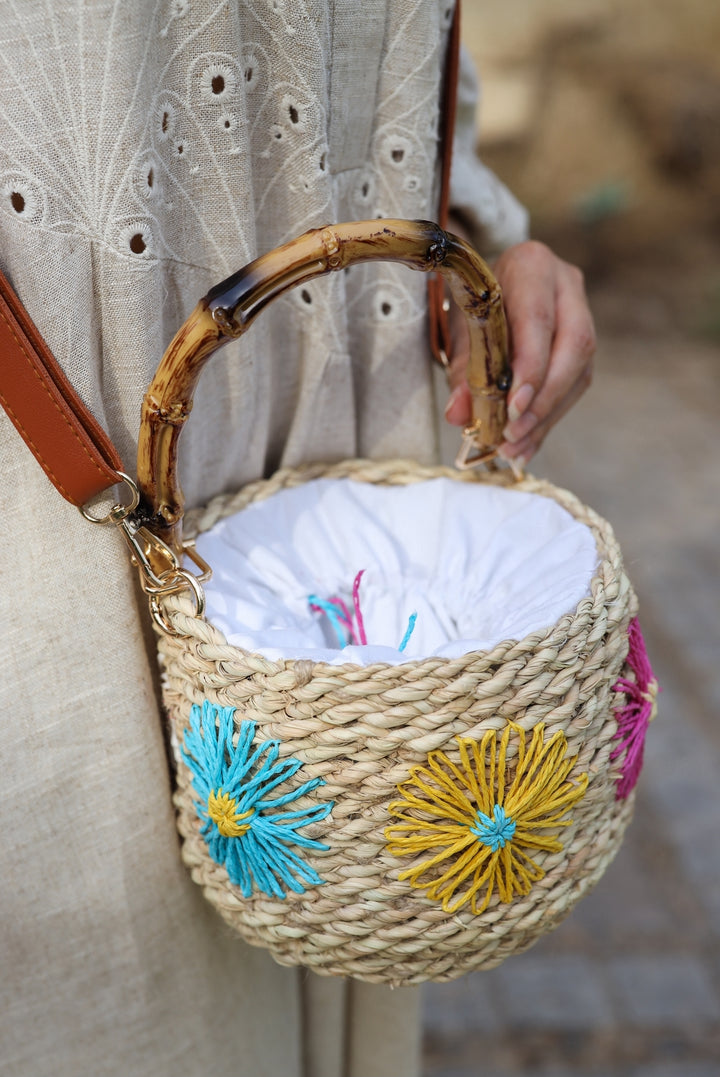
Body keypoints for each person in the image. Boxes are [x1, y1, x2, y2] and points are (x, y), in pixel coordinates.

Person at [0, 3, 594, 1076]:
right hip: (55, 433)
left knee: (359, 871)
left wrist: (482, 226)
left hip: (353, 349)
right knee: (128, 993)